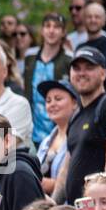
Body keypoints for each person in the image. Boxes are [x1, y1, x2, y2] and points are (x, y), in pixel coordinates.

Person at [62, 47, 106, 204]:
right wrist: (55, 202)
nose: (82, 73)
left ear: (103, 73)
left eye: (89, 68)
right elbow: (68, 165)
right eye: (76, 68)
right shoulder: (75, 114)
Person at [23, 13, 73, 146]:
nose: (51, 30)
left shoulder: (69, 59)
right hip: (32, 127)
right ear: (42, 30)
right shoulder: (30, 56)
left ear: (63, 32)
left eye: (56, 27)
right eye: (47, 26)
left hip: (58, 127)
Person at [35, 79, 79, 201]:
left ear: (75, 103)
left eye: (58, 99)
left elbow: (79, 180)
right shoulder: (45, 142)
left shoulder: (80, 138)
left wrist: (52, 185)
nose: (52, 104)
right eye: (48, 101)